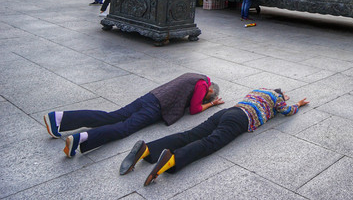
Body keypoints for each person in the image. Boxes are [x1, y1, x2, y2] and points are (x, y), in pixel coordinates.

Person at [120, 88, 309, 186]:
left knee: (190, 134)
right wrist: (297, 104)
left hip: (227, 112)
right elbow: (287, 111)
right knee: (210, 142)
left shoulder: (257, 91)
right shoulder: (276, 99)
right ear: (280, 94)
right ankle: (173, 159)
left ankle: (147, 149)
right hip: (240, 119)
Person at [44, 73, 223, 158]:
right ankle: (82, 138)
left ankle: (60, 118)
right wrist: (210, 104)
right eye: (208, 96)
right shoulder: (202, 84)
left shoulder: (193, 76)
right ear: (211, 90)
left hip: (150, 97)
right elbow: (194, 108)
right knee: (124, 128)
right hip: (156, 106)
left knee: (113, 116)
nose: (204, 98)